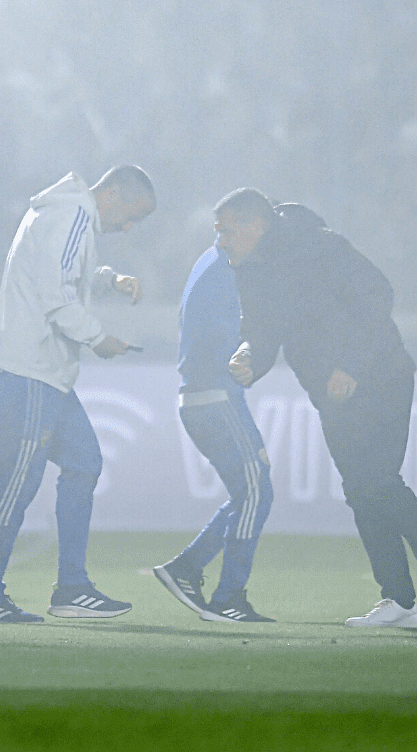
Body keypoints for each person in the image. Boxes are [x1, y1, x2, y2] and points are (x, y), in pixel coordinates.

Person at [217, 187, 417, 629]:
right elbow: (261, 329)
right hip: (328, 390)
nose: (221, 241)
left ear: (257, 225)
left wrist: (351, 364)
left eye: (228, 231)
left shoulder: (320, 245)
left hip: (382, 375)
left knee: (377, 480)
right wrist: (250, 356)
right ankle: (398, 600)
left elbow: (377, 294)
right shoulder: (250, 270)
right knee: (360, 487)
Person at [0, 166, 154, 624]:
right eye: (131, 215)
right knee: (17, 481)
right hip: (28, 371)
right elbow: (56, 295)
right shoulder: (72, 216)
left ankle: (71, 588)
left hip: (44, 374)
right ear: (109, 193)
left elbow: (62, 272)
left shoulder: (65, 215)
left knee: (84, 462)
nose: (128, 227)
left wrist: (109, 280)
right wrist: (98, 337)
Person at [152, 241, 274, 623]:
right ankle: (227, 597)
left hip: (198, 396)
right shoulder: (232, 266)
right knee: (257, 490)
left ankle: (188, 568)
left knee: (249, 492)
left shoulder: (209, 262)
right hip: (217, 397)